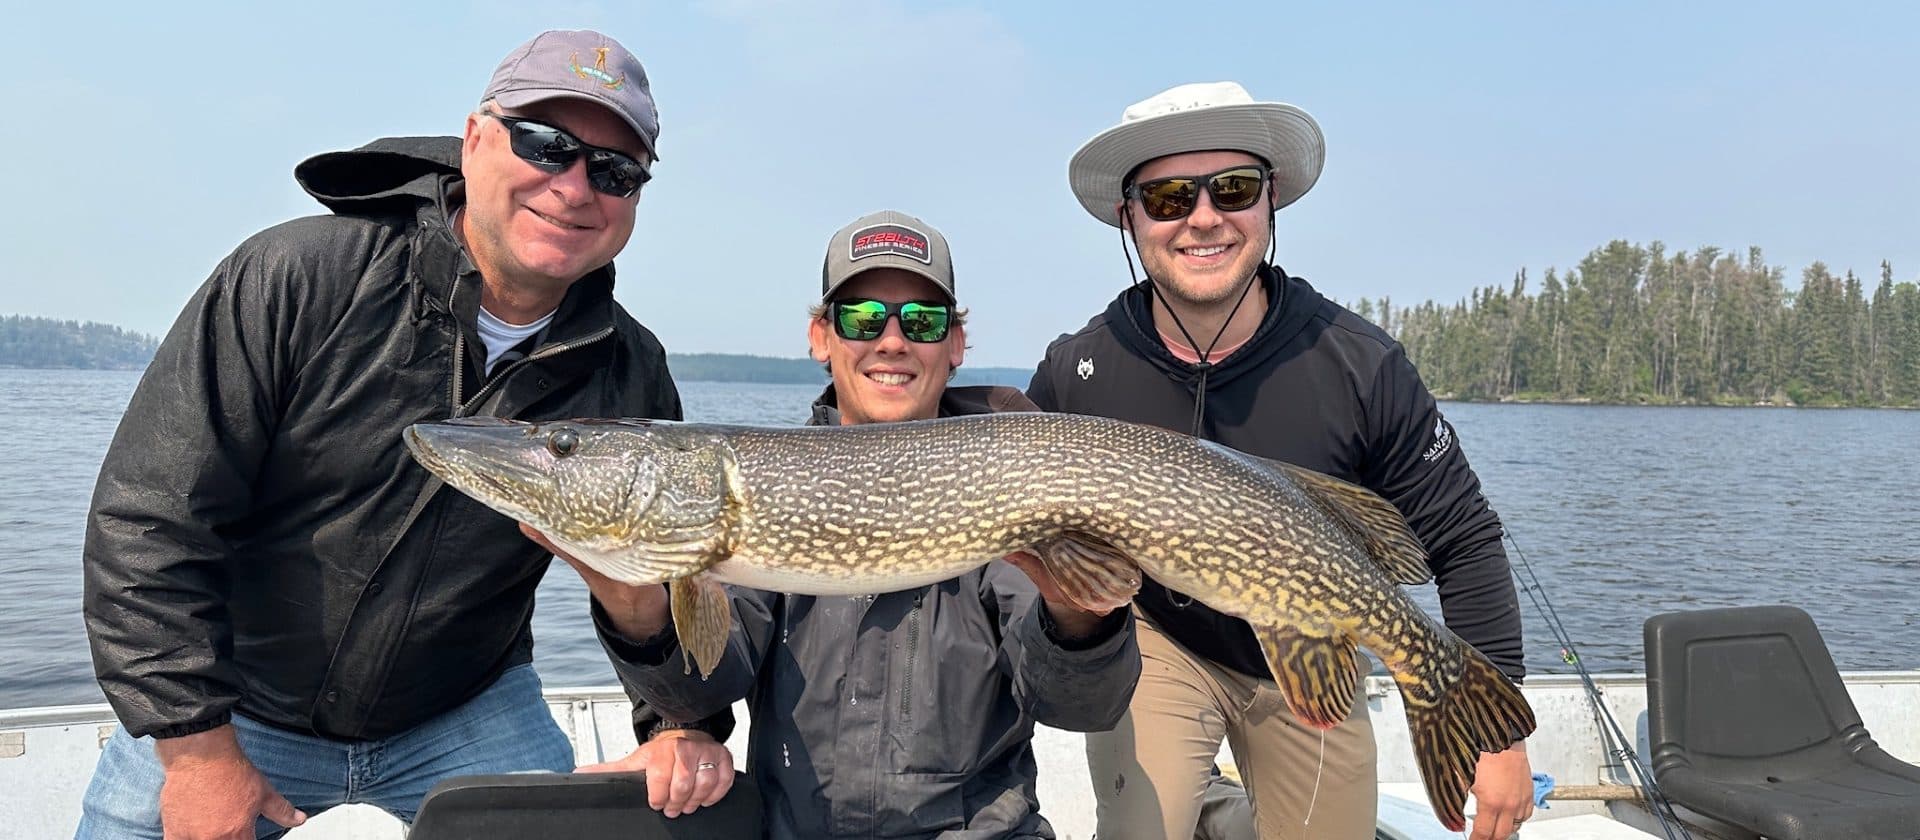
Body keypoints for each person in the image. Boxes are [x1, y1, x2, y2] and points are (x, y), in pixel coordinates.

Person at [77, 29, 680, 839]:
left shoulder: (631, 370)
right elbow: (147, 520)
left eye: (613, 171)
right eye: (544, 144)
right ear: (474, 140)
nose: (574, 187)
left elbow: (668, 581)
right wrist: (195, 752)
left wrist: (677, 725)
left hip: (464, 709)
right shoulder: (297, 277)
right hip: (233, 704)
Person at [1026, 82, 1534, 840]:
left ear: (1271, 204)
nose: (1203, 218)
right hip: (1162, 637)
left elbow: (1459, 538)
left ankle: (1221, 812)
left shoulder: (1360, 365)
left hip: (1312, 644)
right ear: (1130, 218)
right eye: (1168, 197)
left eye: (1232, 189)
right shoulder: (1077, 371)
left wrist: (1500, 731)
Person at [540, 211, 1143, 838]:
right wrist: (636, 611)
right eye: (860, 317)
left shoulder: (1017, 474)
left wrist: (1080, 616)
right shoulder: (764, 483)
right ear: (820, 337)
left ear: (956, 344)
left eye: (922, 320)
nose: (891, 340)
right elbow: (705, 685)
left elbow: (1081, 707)